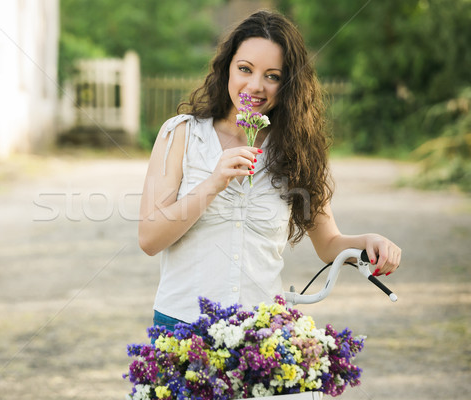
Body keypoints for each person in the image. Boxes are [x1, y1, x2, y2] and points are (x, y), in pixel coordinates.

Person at [138, 10, 401, 331]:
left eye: (272, 76)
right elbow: (149, 238)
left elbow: (328, 244)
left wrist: (368, 241)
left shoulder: (298, 149)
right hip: (181, 326)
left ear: (289, 83)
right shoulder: (182, 134)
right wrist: (213, 183)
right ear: (227, 69)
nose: (255, 85)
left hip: (261, 333)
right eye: (245, 69)